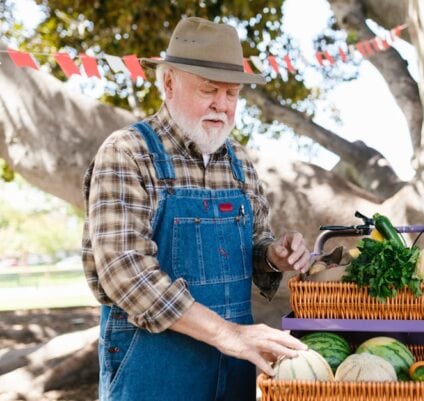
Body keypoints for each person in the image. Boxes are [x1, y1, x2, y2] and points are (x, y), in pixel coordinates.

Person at [81, 16, 311, 401]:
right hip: (152, 371)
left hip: (231, 370)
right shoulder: (127, 153)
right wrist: (228, 334)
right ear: (169, 83)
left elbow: (254, 243)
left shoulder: (238, 160)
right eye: (209, 90)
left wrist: (273, 255)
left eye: (232, 94)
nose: (222, 105)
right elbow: (125, 272)